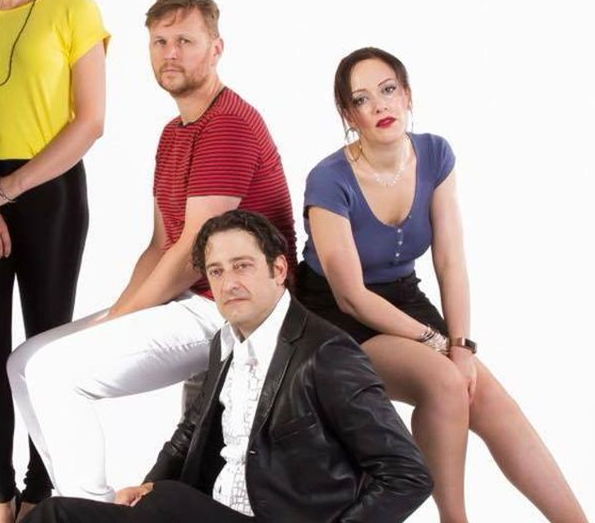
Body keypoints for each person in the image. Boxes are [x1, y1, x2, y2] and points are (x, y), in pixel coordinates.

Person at [6, 0, 297, 502]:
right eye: (160, 42)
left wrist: (121, 320)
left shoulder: (228, 124)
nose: (170, 53)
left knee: (55, 370)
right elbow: (161, 244)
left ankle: (90, 511)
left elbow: (192, 256)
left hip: (231, 307)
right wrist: (118, 313)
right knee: (26, 361)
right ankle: (77, 502)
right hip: (190, 298)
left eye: (185, 40)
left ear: (216, 48)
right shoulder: (174, 133)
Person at [294, 47, 588, 522]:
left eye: (388, 90)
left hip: (403, 298)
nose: (380, 105)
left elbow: (450, 261)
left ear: (408, 95)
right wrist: (436, 341)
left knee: (487, 395)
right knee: (444, 380)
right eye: (362, 99)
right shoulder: (329, 179)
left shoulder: (434, 154)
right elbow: (351, 296)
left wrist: (462, 345)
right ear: (348, 114)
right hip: (332, 314)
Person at [22, 210, 433, 523]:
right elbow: (189, 432)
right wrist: (146, 486)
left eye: (242, 266)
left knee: (166, 502)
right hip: (211, 510)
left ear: (278, 270)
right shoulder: (225, 340)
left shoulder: (326, 354)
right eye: (216, 271)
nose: (228, 283)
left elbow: (407, 475)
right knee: (54, 514)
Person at [0, 0, 108, 521]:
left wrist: (9, 188)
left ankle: (40, 494)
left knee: (48, 350)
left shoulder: (76, 9)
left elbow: (90, 121)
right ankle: (1, 498)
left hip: (51, 189)